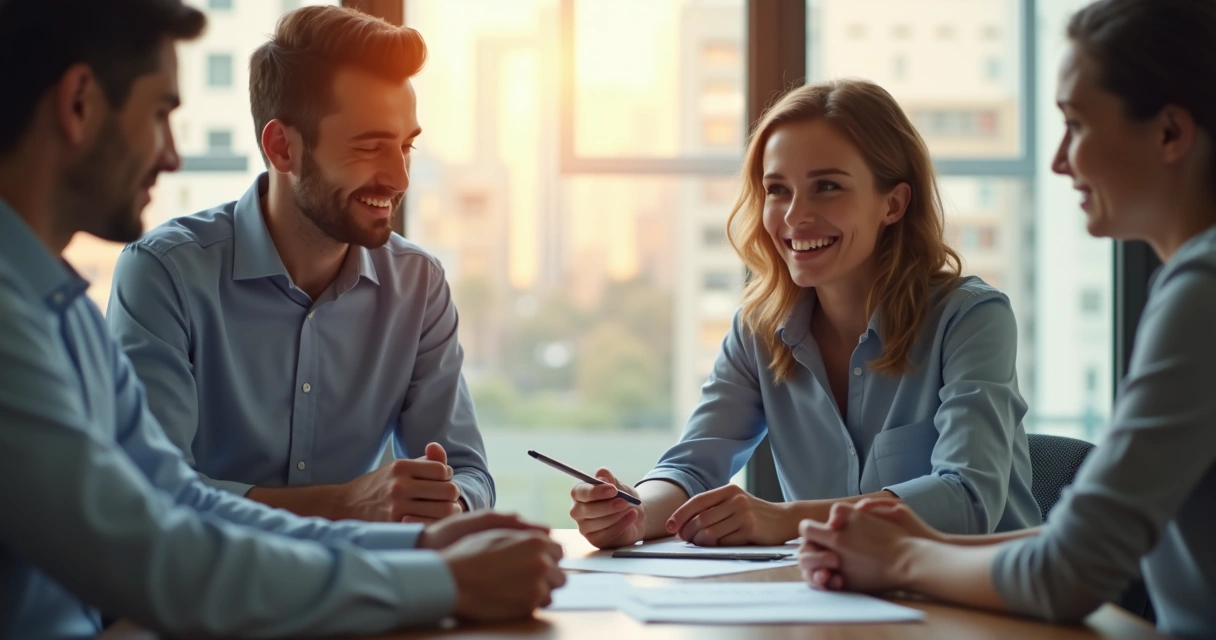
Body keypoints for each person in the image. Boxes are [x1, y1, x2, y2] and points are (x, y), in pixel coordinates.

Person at [0, 1, 563, 636]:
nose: (172, 158)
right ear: (78, 104)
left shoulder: (60, 309)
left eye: (405, 146)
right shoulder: (35, 314)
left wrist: (425, 549)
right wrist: (443, 580)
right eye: (161, 115)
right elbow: (162, 551)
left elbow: (177, 499)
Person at [797, 1, 1216, 638]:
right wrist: (895, 545)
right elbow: (1064, 544)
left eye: (1075, 124)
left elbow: (1067, 572)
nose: (1058, 160)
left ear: (1169, 133)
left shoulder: (1201, 292)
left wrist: (902, 556)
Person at [570, 78, 1039, 549]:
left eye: (827, 187)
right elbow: (691, 467)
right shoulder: (759, 329)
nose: (795, 216)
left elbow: (968, 498)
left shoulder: (972, 318)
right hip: (836, 604)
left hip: (980, 604)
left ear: (893, 203)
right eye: (777, 190)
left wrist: (788, 520)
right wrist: (634, 513)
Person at [105, 4, 491, 524]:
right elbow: (147, 491)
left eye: (406, 146)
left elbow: (468, 471)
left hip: (367, 592)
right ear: (282, 148)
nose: (399, 178)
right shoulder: (165, 274)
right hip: (205, 596)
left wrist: (447, 500)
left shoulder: (418, 284)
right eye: (370, 146)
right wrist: (343, 505)